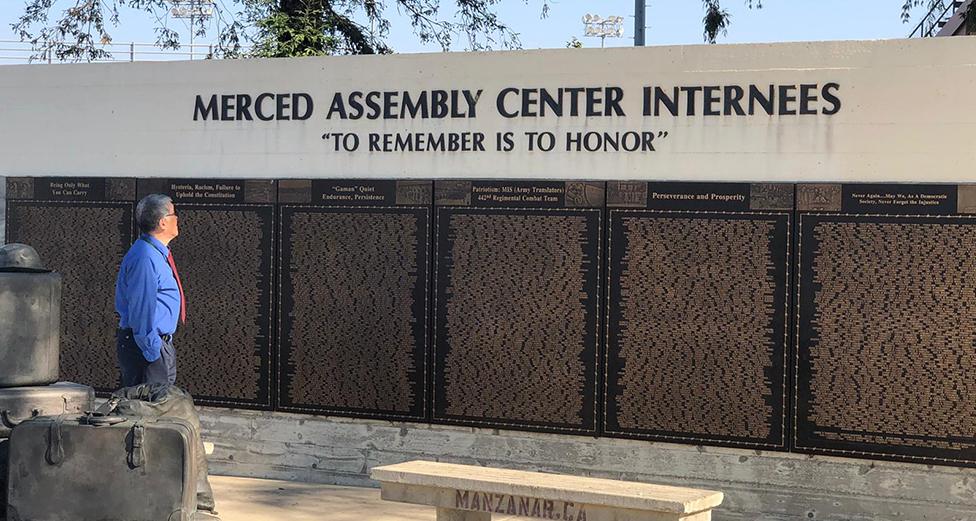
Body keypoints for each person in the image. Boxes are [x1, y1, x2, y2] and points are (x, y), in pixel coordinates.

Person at [115, 193, 186, 386]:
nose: (177, 219)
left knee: (160, 408)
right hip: (146, 347)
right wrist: (153, 350)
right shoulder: (145, 257)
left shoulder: (154, 254)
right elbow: (141, 307)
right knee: (148, 410)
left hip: (156, 343)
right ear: (163, 222)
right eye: (173, 214)